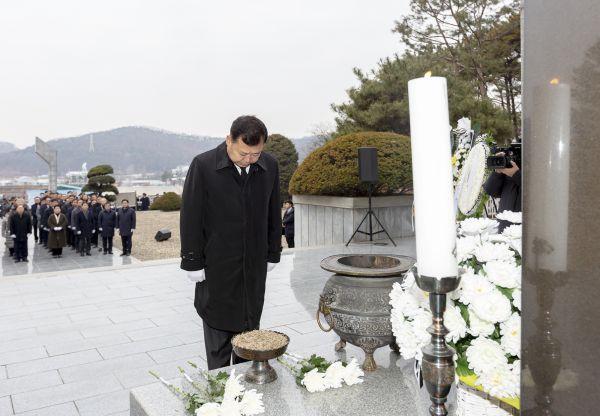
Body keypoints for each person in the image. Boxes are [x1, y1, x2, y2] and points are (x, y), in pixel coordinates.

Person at [180, 115, 282, 370]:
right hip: (217, 263)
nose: (249, 160)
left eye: (256, 154)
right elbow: (191, 215)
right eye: (243, 153)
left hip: (254, 263)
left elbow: (273, 211)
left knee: (250, 326)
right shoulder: (203, 165)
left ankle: (247, 376)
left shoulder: (269, 166)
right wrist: (192, 261)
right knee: (218, 328)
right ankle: (220, 382)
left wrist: (273, 252)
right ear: (229, 140)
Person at [483, 151, 521, 231]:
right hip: (504, 226)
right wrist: (498, 172)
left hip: (525, 228)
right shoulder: (509, 169)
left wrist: (517, 175)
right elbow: (491, 191)